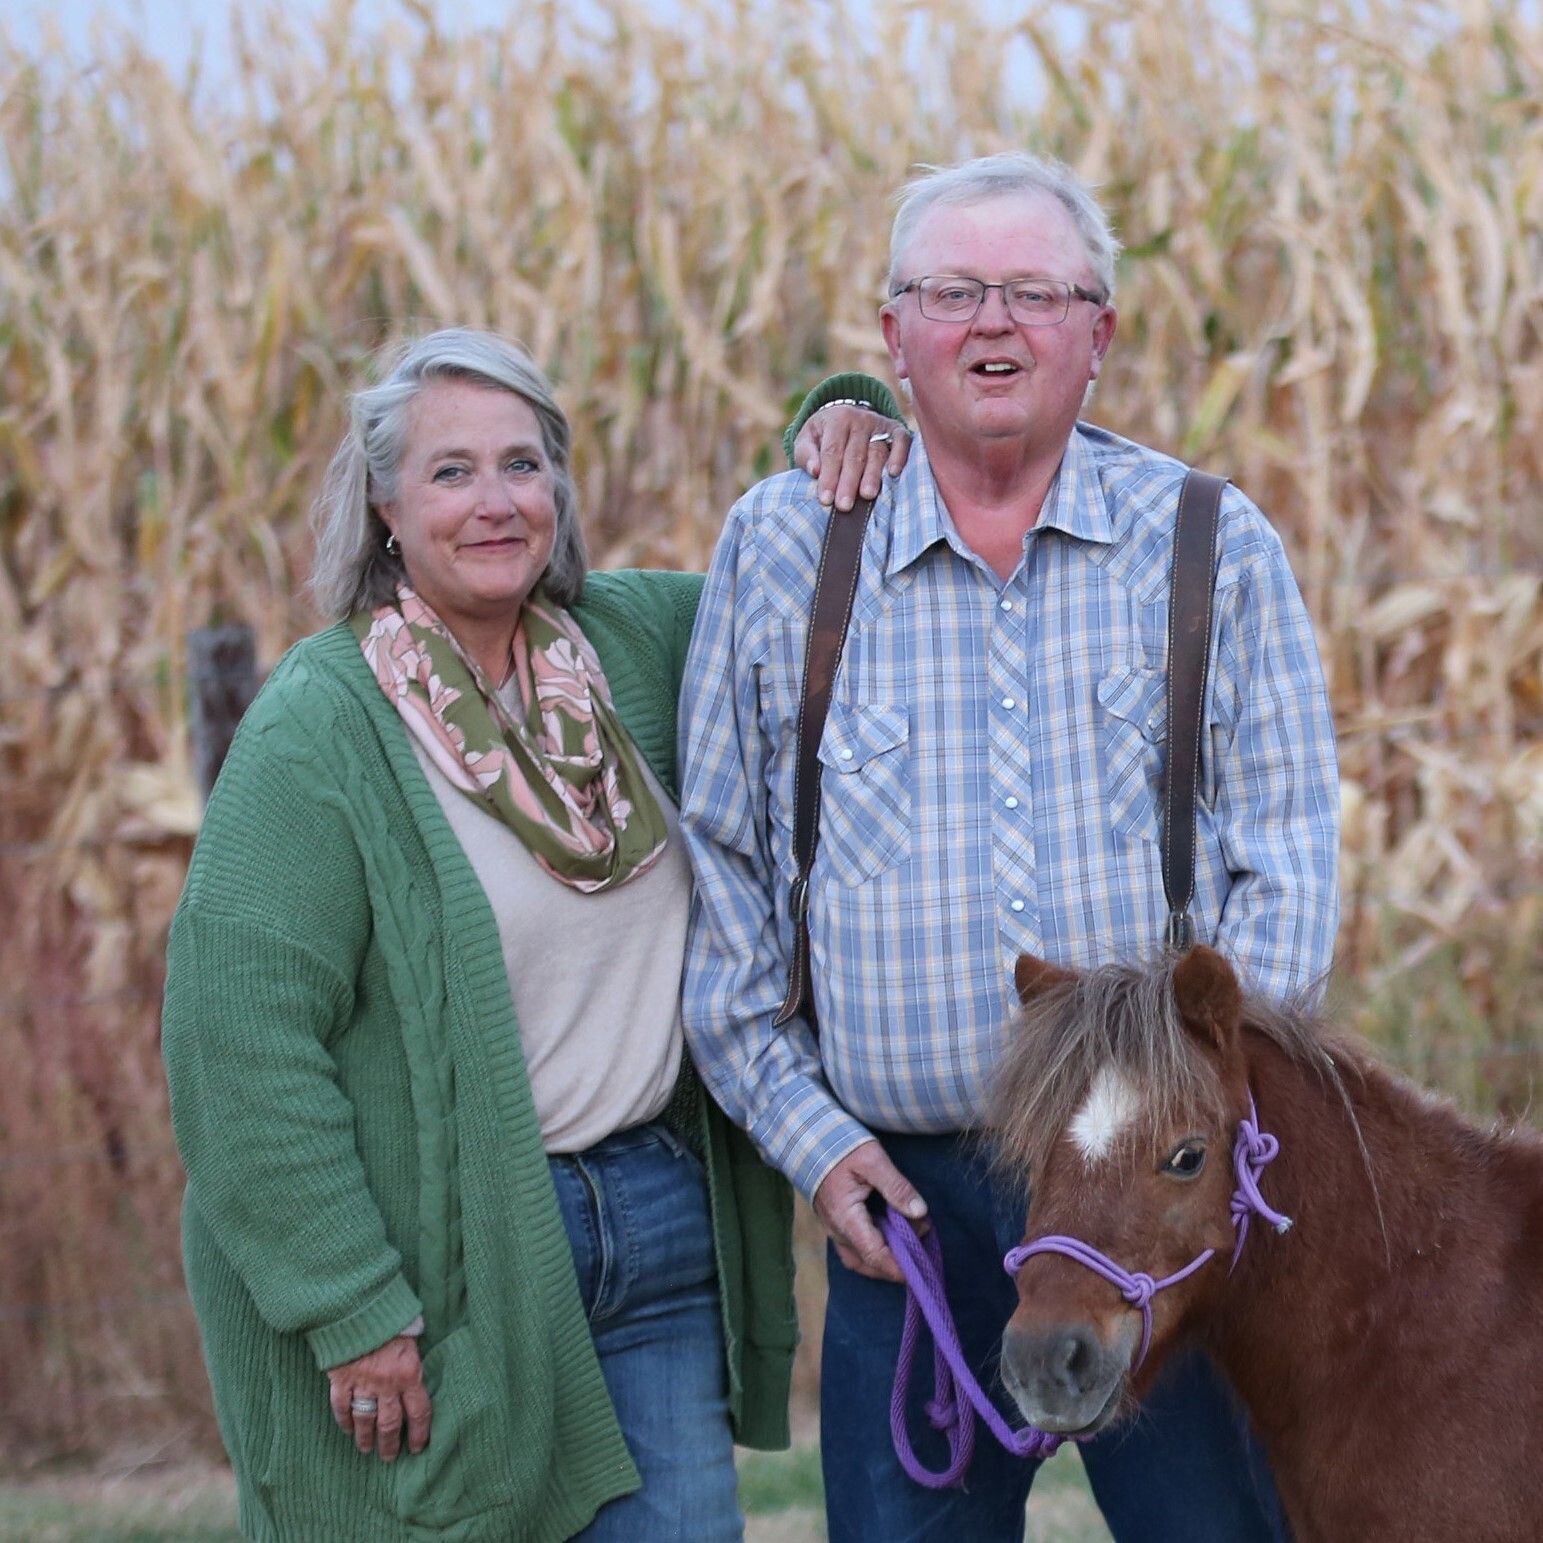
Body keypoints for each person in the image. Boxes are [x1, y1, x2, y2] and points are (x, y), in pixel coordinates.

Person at [678, 152, 1340, 1542]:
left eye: (1035, 291)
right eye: (951, 291)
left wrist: (1199, 1118)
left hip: (1147, 1210)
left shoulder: (1208, 544)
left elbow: (1284, 853)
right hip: (904, 1202)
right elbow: (724, 887)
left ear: (1095, 335)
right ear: (890, 337)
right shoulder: (783, 548)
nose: (993, 323)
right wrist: (814, 1145)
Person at [160, 327, 903, 1540]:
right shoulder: (320, 728)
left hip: (659, 1229)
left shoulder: (640, 647)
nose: (497, 501)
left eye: (524, 463)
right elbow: (237, 1045)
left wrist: (850, 416)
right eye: (452, 472)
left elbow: (824, 583)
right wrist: (353, 1304)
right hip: (447, 1255)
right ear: (385, 506)